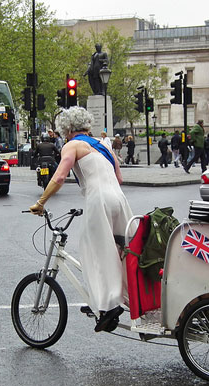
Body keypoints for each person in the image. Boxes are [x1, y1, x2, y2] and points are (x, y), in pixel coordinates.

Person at [29, 106, 134, 333]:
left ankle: (108, 306)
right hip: (119, 198)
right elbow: (119, 177)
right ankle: (128, 297)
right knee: (123, 249)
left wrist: (41, 202)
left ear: (66, 130)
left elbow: (59, 176)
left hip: (99, 200)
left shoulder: (72, 145)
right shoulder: (104, 145)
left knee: (95, 250)